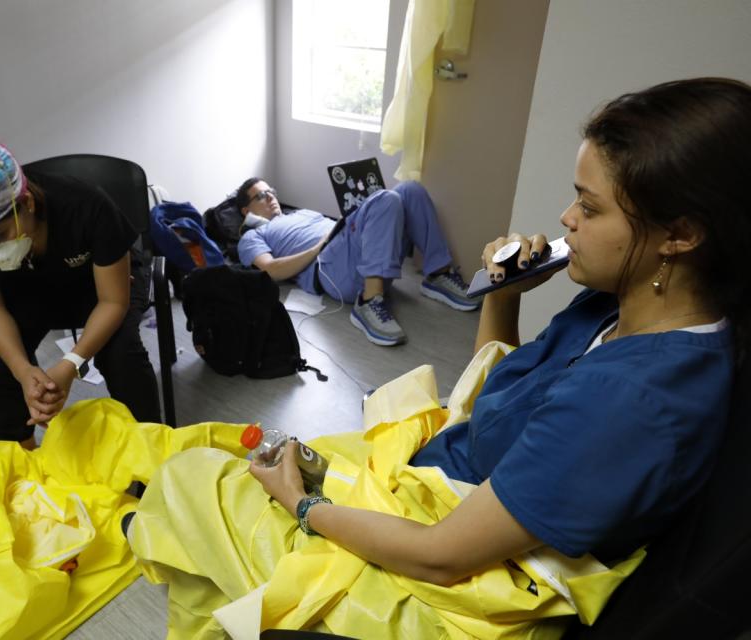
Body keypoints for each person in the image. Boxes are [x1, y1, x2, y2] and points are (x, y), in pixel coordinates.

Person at [130, 78, 750, 630]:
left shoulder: (630, 402)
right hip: (448, 470)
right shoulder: (615, 308)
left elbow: (442, 556)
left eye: (589, 208)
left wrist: (303, 503)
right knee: (220, 446)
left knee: (191, 477)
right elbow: (492, 398)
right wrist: (502, 294)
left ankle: (198, 538)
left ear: (681, 234)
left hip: (443, 546)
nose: (566, 219)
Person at [0, 136, 160, 449]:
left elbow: (113, 301)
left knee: (122, 356)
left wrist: (70, 365)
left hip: (102, 284)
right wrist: (23, 371)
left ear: (27, 203)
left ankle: (151, 455)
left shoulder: (85, 206)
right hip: (27, 287)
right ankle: (26, 459)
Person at [235, 178, 480, 347]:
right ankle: (368, 302)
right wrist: (318, 247)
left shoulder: (301, 213)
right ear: (247, 210)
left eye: (271, 192)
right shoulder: (252, 236)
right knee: (387, 199)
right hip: (331, 268)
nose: (270, 198)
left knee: (410, 190)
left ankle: (438, 274)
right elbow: (271, 271)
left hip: (356, 252)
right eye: (261, 195)